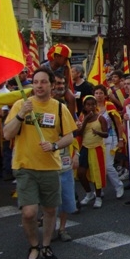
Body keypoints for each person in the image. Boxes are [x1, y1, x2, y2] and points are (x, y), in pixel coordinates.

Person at [3, 66, 77, 259]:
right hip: (24, 166)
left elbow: (70, 136)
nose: (39, 86)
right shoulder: (20, 104)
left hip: (50, 167)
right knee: (29, 212)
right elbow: (7, 135)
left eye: (43, 82)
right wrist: (20, 115)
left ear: (52, 85)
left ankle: (46, 246)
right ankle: (33, 247)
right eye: (35, 82)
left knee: (50, 209)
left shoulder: (60, 108)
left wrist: (54, 146)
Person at [51, 73, 79, 242]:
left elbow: (73, 133)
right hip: (45, 161)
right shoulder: (36, 107)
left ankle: (62, 228)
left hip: (65, 159)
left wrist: (77, 153)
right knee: (49, 198)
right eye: (57, 83)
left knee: (65, 196)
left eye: (63, 83)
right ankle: (50, 226)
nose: (60, 86)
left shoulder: (65, 107)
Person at [77, 95, 109, 209]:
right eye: (88, 105)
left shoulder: (100, 118)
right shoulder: (82, 117)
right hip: (85, 147)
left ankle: (98, 197)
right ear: (84, 106)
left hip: (97, 148)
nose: (90, 107)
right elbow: (79, 132)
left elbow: (106, 134)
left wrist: (98, 133)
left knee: (97, 174)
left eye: (93, 104)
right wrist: (85, 120)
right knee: (81, 173)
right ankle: (89, 193)